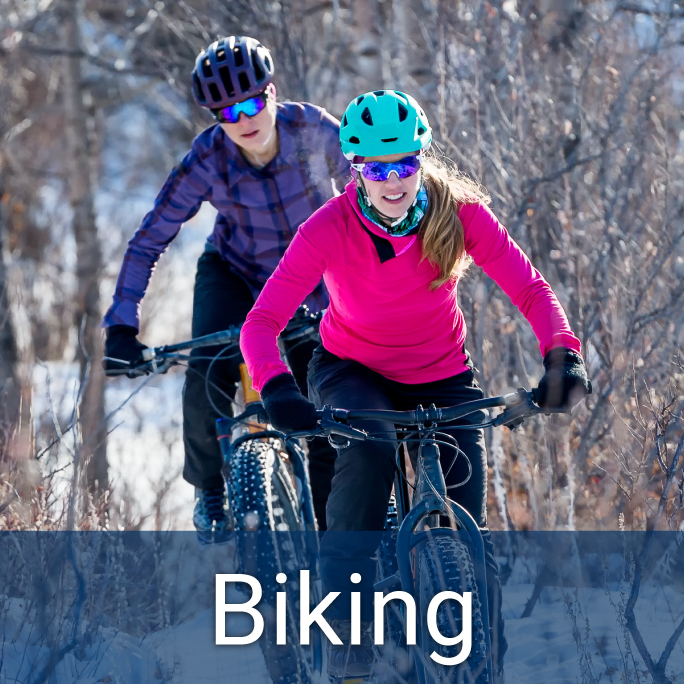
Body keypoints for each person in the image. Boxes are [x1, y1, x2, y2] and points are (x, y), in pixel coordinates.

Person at [240, 89, 591, 678]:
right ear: (356, 170)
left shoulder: (460, 215)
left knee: (467, 537)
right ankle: (347, 641)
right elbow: (262, 322)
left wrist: (563, 355)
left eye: (404, 164)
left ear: (421, 159)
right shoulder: (329, 227)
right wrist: (277, 389)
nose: (393, 181)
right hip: (352, 371)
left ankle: (479, 658)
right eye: (376, 169)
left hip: (444, 377)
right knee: (368, 454)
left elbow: (532, 290)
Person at [102, 36, 346, 544]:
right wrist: (121, 324)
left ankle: (339, 538)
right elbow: (150, 238)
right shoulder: (208, 159)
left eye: (254, 103)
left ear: (272, 92)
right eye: (227, 113)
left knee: (323, 399)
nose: (244, 120)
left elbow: (377, 194)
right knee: (207, 369)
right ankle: (210, 488)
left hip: (313, 282)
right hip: (235, 273)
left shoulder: (316, 130)